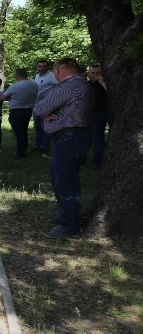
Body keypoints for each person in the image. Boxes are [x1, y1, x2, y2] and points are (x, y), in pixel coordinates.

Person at [33, 57, 94, 238]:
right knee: (58, 178)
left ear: (59, 70)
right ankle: (65, 216)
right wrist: (46, 114)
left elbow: (40, 107)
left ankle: (70, 226)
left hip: (70, 138)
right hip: (69, 137)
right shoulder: (81, 84)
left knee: (66, 182)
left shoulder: (70, 85)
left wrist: (44, 113)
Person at [0, 68, 38, 158]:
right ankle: (24, 148)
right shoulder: (34, 84)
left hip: (17, 111)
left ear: (17, 75)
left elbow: (4, 97)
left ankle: (20, 153)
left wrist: (10, 98)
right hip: (29, 110)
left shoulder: (15, 86)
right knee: (24, 130)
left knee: (19, 132)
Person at [33, 59, 58, 152]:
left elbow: (61, 86)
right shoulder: (37, 76)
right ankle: (37, 145)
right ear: (37, 67)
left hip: (47, 106)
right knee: (37, 126)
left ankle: (44, 147)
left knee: (46, 126)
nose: (42, 68)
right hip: (36, 105)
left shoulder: (52, 76)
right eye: (39, 66)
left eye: (44, 66)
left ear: (47, 67)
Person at [86, 63, 108, 167]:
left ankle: (97, 161)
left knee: (97, 138)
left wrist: (102, 82)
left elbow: (111, 93)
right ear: (89, 73)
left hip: (99, 114)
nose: (95, 74)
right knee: (85, 137)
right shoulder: (86, 84)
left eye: (97, 72)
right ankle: (81, 159)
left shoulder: (105, 84)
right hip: (86, 114)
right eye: (92, 72)